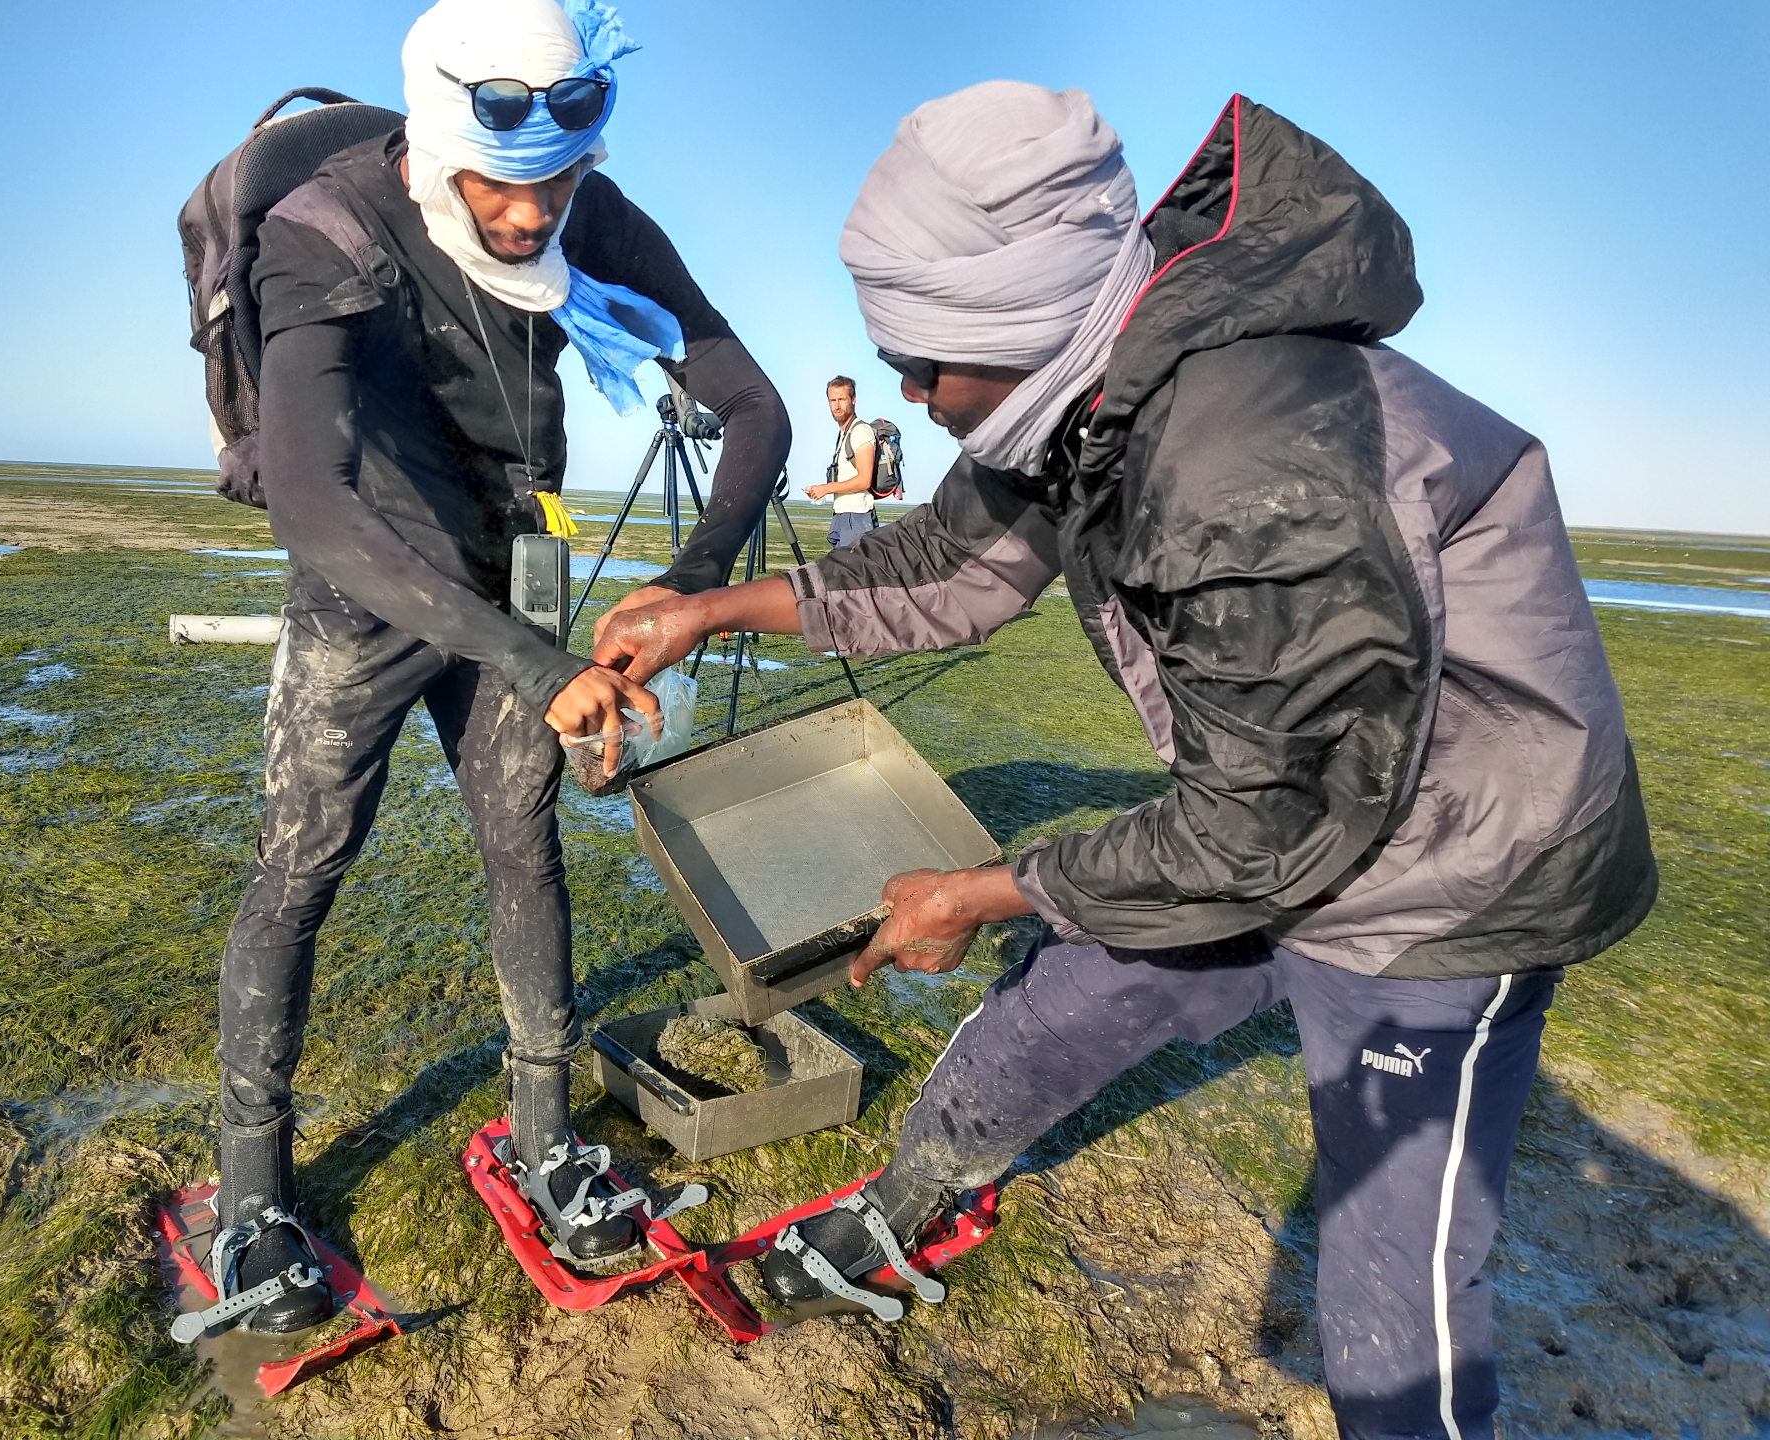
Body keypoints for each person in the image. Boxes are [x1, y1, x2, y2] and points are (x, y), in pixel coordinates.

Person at [593, 84, 1655, 1440]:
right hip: (1286, 811)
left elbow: (1261, 830)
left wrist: (974, 892)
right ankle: (910, 1199)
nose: (912, 397)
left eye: (923, 365)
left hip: (1453, 874)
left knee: (1392, 1299)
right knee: (1046, 1019)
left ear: (1017, 325)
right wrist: (708, 610)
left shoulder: (1251, 459)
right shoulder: (1084, 382)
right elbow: (944, 565)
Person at [210, 0, 789, 1333]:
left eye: (558, 186)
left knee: (523, 842)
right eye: (499, 190)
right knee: (304, 861)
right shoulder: (329, 228)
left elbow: (751, 404)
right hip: (372, 574)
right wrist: (533, 659)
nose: (533, 220)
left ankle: (545, 1141)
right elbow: (308, 497)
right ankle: (253, 1196)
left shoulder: (590, 206)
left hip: (519, 547)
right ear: (434, 142)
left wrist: (689, 582)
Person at [805, 375, 877, 546]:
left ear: (853, 400)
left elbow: (864, 479)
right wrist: (819, 490)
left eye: (842, 399)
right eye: (832, 400)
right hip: (843, 515)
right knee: (839, 571)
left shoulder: (861, 431)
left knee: (852, 571)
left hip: (857, 517)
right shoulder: (845, 433)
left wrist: (826, 488)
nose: (836, 406)